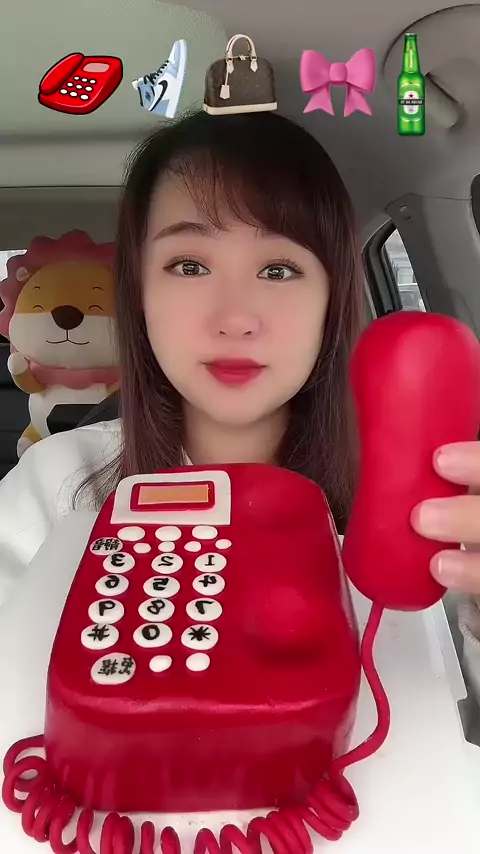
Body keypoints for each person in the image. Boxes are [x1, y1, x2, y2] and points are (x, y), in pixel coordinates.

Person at [0, 109, 480, 711]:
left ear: (331, 301)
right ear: (139, 294)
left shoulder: (426, 506)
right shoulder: (52, 488)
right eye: (189, 266)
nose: (235, 319)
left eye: (279, 269)